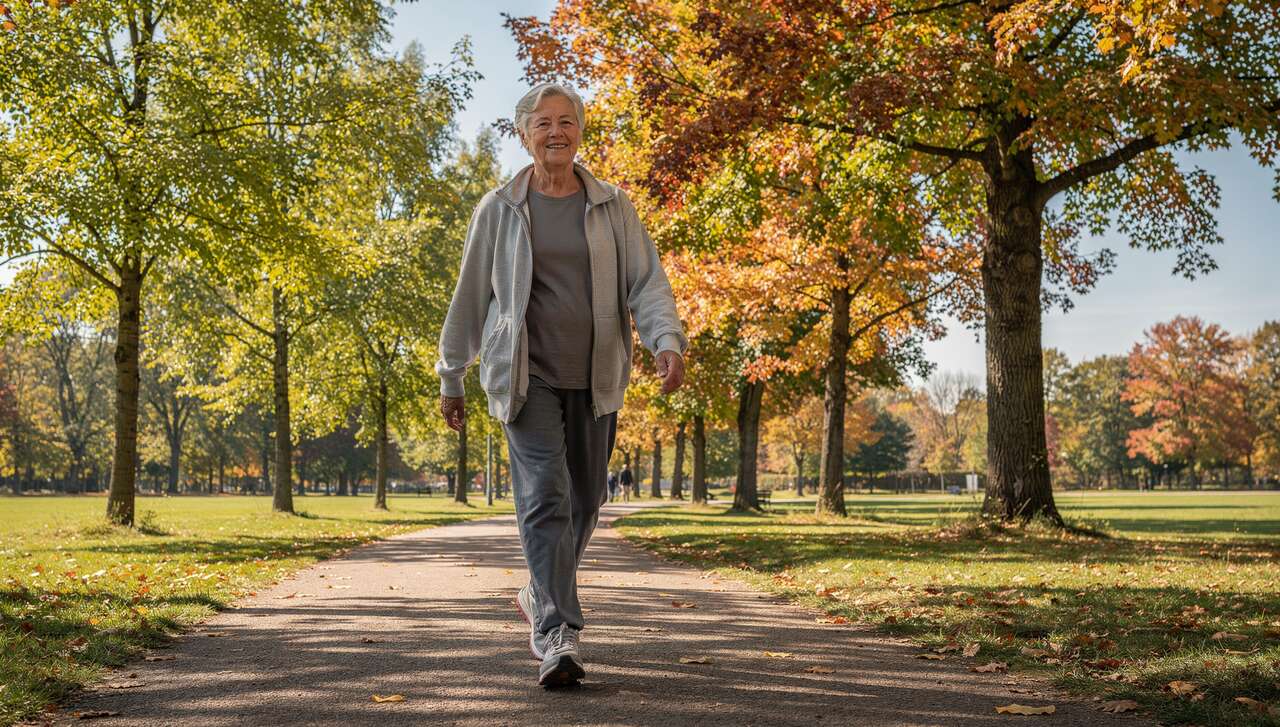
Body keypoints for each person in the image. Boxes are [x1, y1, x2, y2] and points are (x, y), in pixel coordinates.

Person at [435, 82, 687, 688]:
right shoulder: (499, 207)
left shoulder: (611, 205)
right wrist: (453, 374)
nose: (556, 132)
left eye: (567, 121)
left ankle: (537, 592)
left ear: (580, 130)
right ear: (524, 134)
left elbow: (646, 283)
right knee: (546, 496)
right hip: (526, 379)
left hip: (597, 377)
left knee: (585, 504)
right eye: (543, 123)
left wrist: (666, 341)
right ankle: (556, 634)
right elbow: (472, 297)